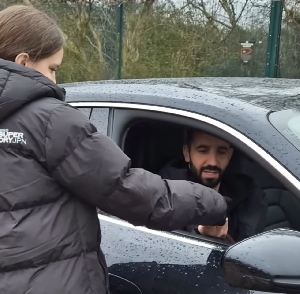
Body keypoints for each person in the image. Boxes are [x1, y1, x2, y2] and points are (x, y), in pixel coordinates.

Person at [0, 5, 227, 294]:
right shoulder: (49, 119)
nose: (55, 81)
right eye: (52, 68)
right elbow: (127, 189)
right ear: (23, 62)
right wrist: (215, 204)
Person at [159, 128, 267, 242]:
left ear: (229, 155)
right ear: (187, 153)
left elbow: (249, 247)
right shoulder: (168, 189)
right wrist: (201, 234)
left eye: (221, 152)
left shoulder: (247, 191)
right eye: (203, 151)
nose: (213, 162)